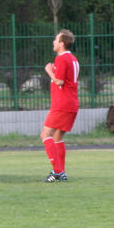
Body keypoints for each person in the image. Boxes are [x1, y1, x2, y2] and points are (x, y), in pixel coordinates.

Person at [41, 30, 80, 182]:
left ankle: (57, 172)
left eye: (56, 40)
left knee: (45, 134)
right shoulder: (73, 59)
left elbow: (59, 81)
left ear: (62, 44)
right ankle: (61, 172)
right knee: (57, 137)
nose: (53, 42)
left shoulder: (61, 59)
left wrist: (49, 70)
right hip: (71, 103)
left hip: (62, 104)